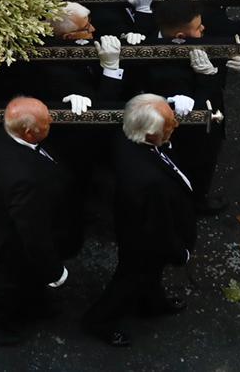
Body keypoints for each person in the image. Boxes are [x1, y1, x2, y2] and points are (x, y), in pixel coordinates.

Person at [82, 94, 198, 348]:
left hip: (134, 224)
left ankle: (151, 304)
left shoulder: (126, 136)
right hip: (143, 238)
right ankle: (99, 321)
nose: (174, 126)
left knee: (147, 275)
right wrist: (180, 254)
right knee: (130, 279)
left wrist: (167, 103)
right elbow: (159, 227)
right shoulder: (149, 182)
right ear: (149, 135)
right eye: (168, 125)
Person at [0, 96, 79, 346]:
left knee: (24, 281)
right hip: (15, 241)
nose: (51, 122)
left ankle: (33, 305)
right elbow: (33, 231)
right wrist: (55, 270)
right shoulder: (24, 179)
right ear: (29, 133)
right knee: (10, 283)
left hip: (5, 219)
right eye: (46, 123)